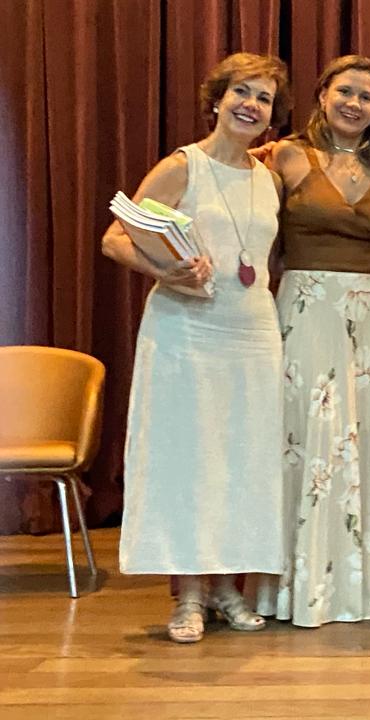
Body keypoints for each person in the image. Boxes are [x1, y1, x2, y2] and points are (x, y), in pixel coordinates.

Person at [102, 52, 290, 643]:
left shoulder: (269, 179)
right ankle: (187, 594)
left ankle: (228, 589)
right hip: (185, 332)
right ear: (217, 99)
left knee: (243, 461)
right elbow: (115, 238)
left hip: (253, 333)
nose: (250, 105)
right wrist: (164, 273)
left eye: (263, 98)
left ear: (272, 115)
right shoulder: (183, 166)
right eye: (241, 91)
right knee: (189, 460)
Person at [249, 55, 370, 627]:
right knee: (304, 437)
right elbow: (256, 238)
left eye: (366, 97)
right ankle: (296, 585)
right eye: (345, 91)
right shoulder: (285, 156)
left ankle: (363, 582)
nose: (354, 104)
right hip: (305, 307)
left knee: (366, 440)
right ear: (322, 95)